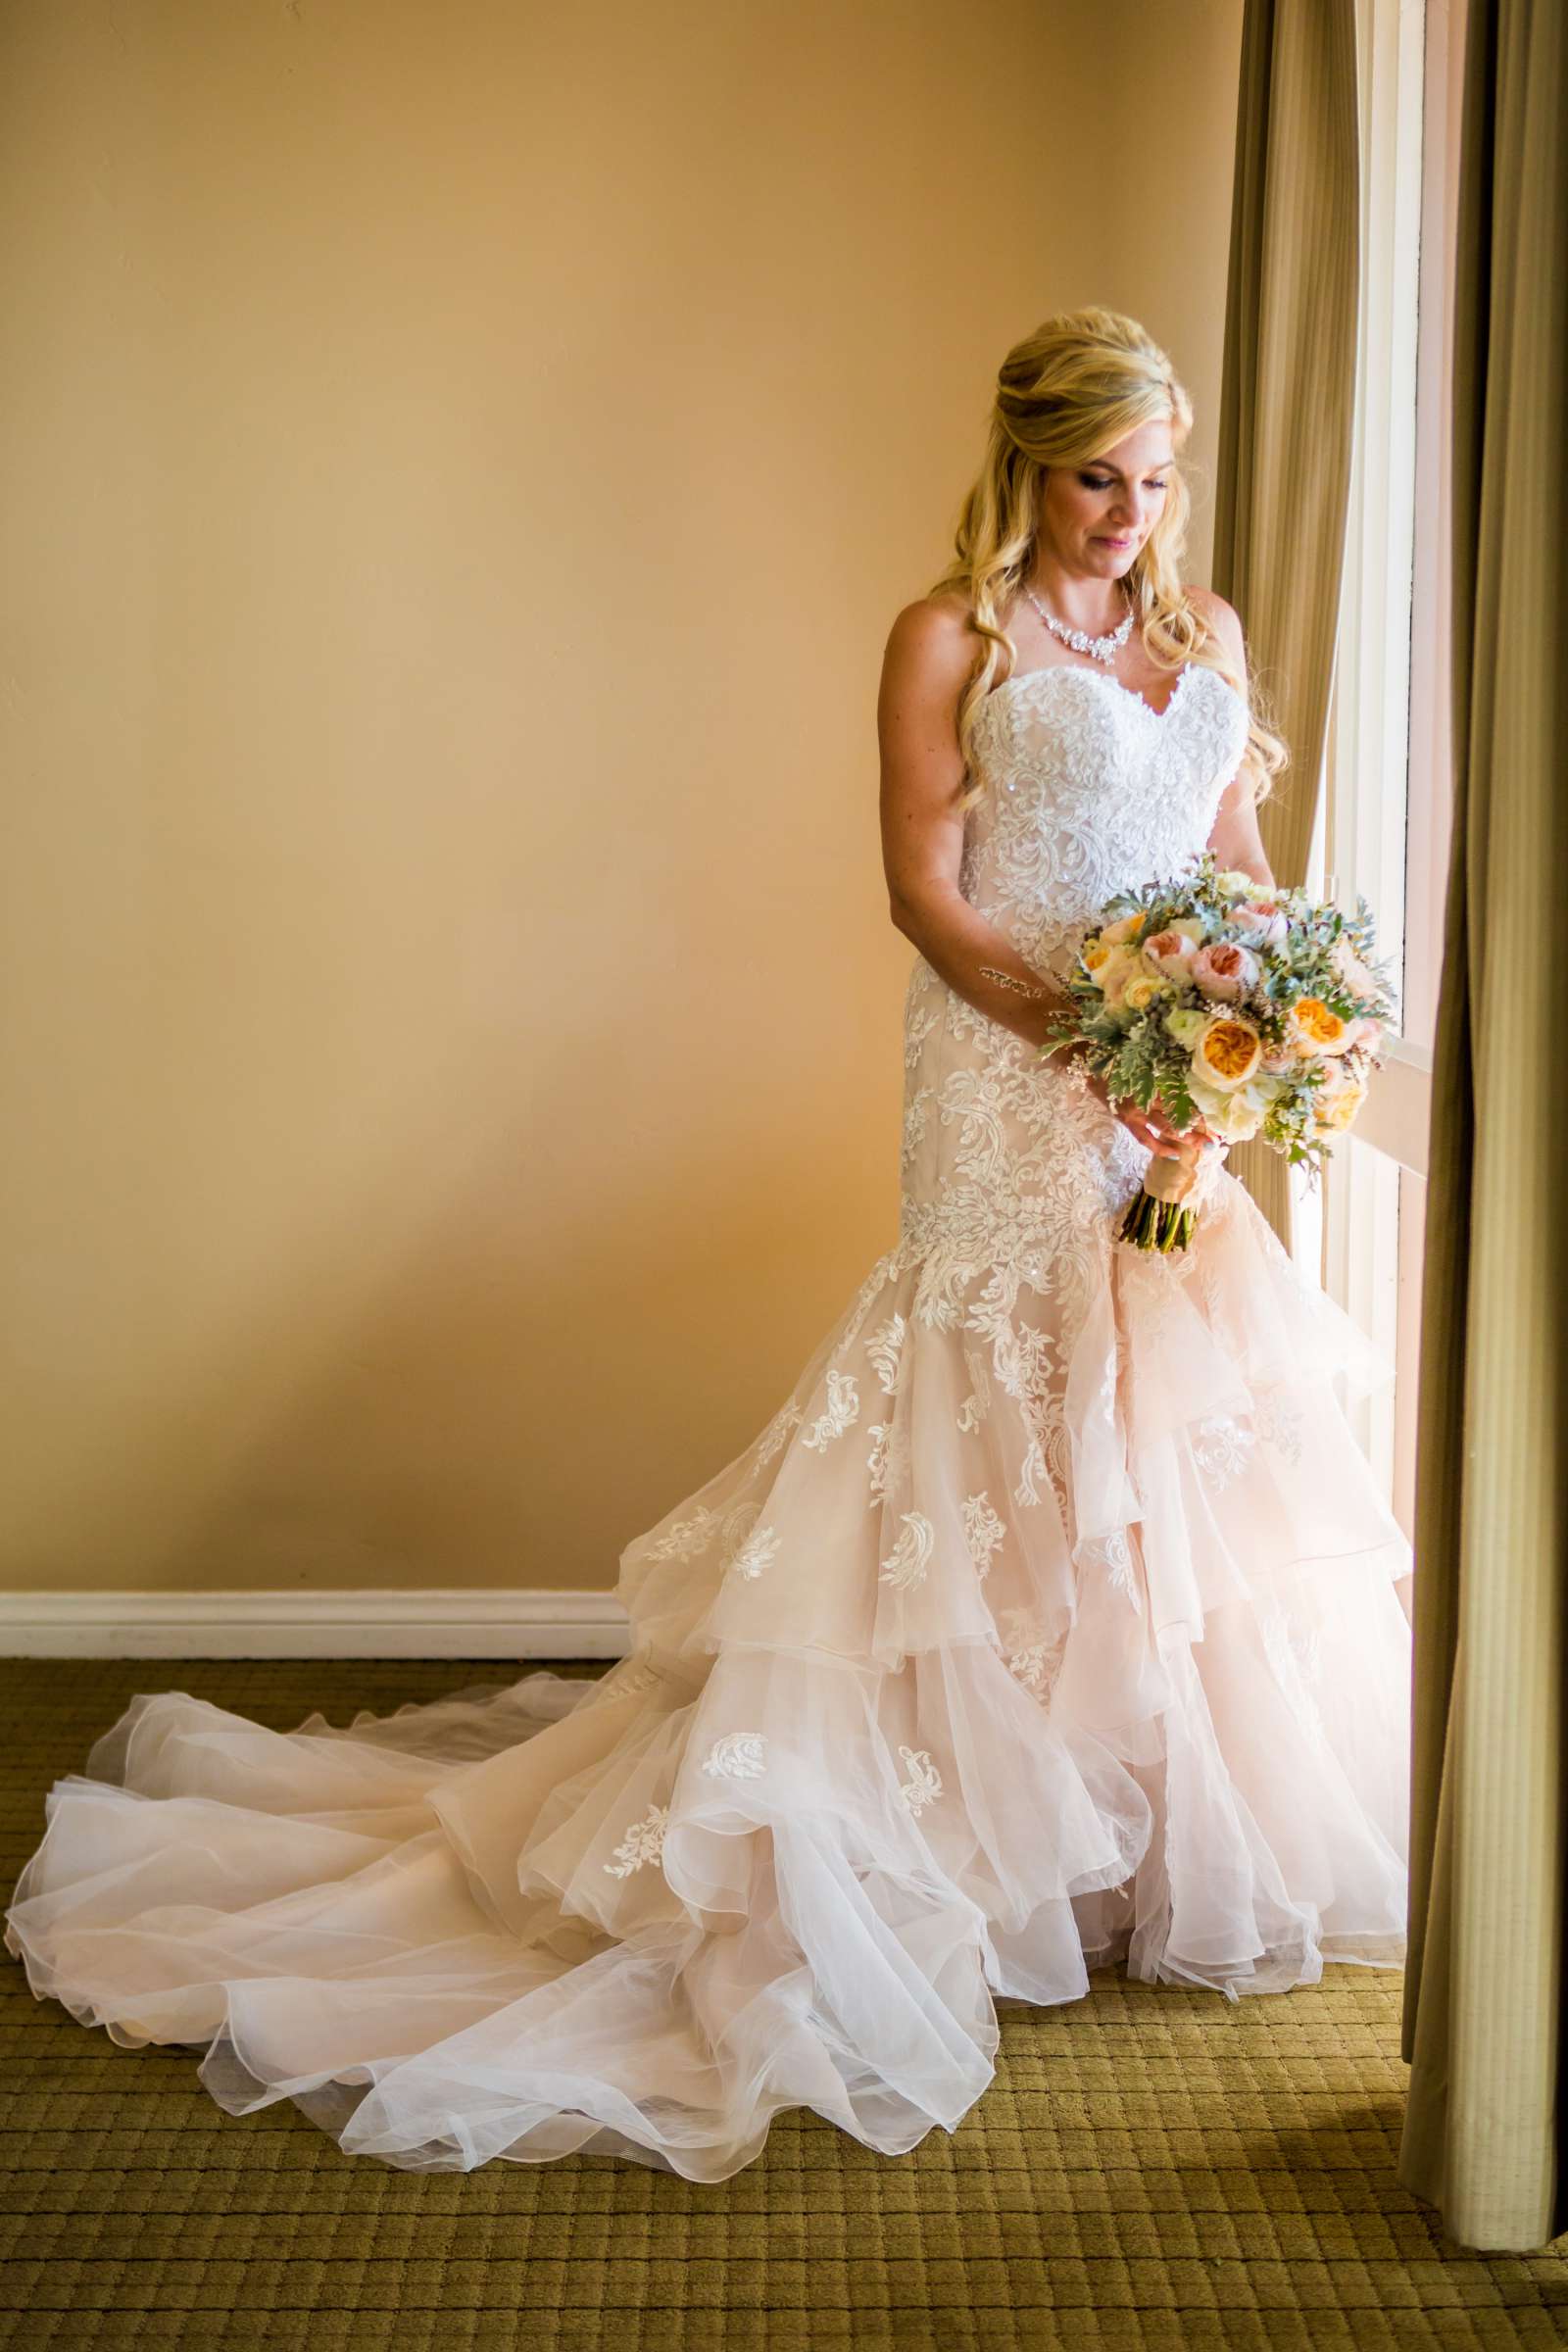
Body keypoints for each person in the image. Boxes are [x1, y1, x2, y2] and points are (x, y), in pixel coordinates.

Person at [4, 307, 1412, 2185]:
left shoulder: (1202, 631)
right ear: (1028, 460)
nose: (1127, 520)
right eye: (1098, 480)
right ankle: (955, 1841)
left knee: (1158, 1410)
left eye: (1155, 484)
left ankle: (1140, 1844)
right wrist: (1094, 1035)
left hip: (1175, 1083)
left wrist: (1242, 1036)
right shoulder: (949, 636)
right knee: (992, 1391)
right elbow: (923, 885)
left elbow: (1233, 849)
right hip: (1009, 1071)